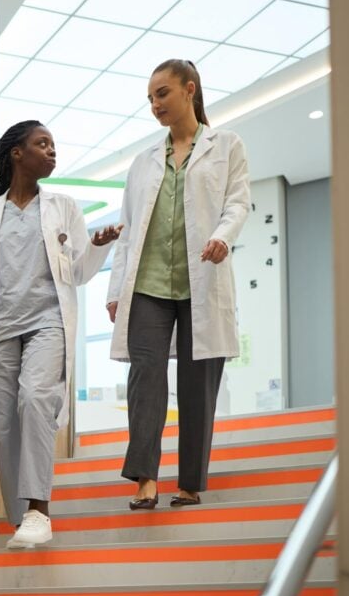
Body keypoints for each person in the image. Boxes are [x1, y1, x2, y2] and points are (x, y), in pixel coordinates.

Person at [0, 120, 121, 548]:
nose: (52, 151)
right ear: (16, 154)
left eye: (54, 145)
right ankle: (20, 514)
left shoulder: (64, 207)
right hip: (1, 329)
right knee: (4, 422)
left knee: (35, 400)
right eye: (42, 144)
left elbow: (78, 272)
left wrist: (98, 246)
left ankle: (38, 510)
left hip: (47, 323)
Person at [105, 60, 250, 510]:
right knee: (144, 377)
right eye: (150, 98)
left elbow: (238, 202)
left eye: (162, 93)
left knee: (197, 381)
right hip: (148, 284)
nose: (154, 105)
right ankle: (145, 477)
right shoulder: (144, 161)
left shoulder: (226, 146)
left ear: (190, 90)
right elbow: (129, 229)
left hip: (201, 281)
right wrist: (115, 290)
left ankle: (189, 482)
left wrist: (222, 238)